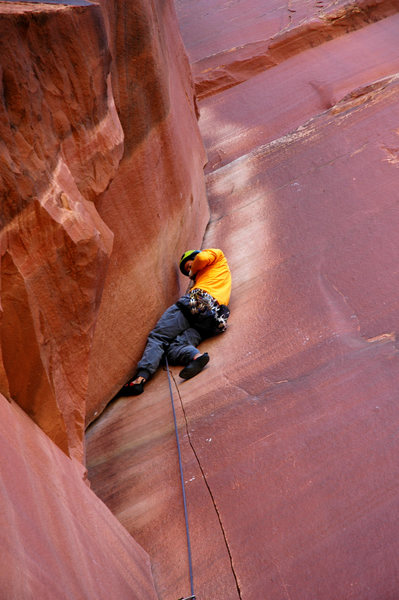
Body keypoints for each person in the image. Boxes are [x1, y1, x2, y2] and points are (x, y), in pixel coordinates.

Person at [119, 248, 231, 396]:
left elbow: (202, 258)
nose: (190, 271)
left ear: (193, 256)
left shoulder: (217, 256)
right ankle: (196, 357)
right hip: (209, 320)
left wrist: (192, 271)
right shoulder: (211, 277)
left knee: (158, 337)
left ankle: (139, 379)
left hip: (196, 303)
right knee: (172, 351)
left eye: (189, 266)